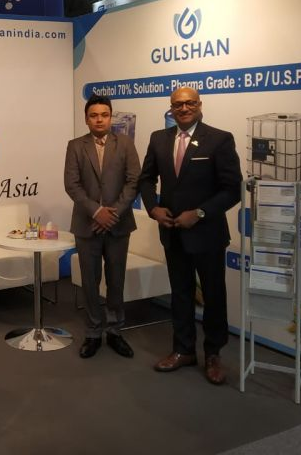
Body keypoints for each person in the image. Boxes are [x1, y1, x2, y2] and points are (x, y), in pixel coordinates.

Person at [138, 87, 242, 384]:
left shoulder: (219, 139)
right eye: (178, 104)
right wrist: (154, 208)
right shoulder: (159, 138)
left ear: (199, 105)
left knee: (213, 296)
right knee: (181, 294)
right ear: (171, 107)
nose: (184, 108)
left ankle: (213, 354)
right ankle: (184, 350)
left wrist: (198, 213)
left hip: (207, 234)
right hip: (172, 232)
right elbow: (146, 179)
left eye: (190, 103)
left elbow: (232, 189)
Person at [64, 94, 141, 359]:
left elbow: (133, 181)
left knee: (116, 280)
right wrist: (97, 212)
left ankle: (115, 331)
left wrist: (112, 214)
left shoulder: (125, 144)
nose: (99, 120)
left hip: (118, 225)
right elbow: (72, 185)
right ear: (86, 119)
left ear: (111, 117)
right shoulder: (75, 146)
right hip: (87, 225)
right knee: (90, 281)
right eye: (94, 115)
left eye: (104, 115)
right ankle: (93, 332)